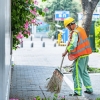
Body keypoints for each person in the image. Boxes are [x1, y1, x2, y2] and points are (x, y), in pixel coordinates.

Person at [62, 17, 93, 96]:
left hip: (80, 56)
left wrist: (66, 51)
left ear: (70, 25)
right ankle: (89, 89)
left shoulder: (75, 32)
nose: (68, 29)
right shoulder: (80, 29)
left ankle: (77, 91)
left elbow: (73, 44)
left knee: (76, 73)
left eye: (68, 27)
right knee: (84, 72)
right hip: (85, 55)